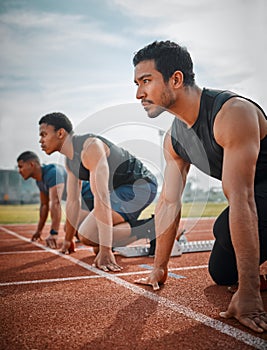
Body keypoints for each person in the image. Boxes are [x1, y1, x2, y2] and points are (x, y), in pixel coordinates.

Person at [132, 40, 267, 333]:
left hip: (256, 197)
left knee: (242, 228)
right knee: (221, 270)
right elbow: (169, 203)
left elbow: (242, 199)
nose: (139, 93)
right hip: (257, 197)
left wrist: (249, 292)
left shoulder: (232, 113)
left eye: (146, 81)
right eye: (137, 83)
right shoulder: (175, 139)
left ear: (176, 79)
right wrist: (159, 267)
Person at [38, 113, 158, 271]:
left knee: (89, 235)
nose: (40, 140)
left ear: (60, 133)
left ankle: (151, 227)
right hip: (119, 191)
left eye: (44, 135)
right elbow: (74, 202)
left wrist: (106, 249)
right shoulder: (70, 162)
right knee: (91, 240)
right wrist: (67, 240)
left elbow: (101, 198)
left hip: (139, 186)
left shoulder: (90, 147)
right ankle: (139, 228)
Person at [17, 151, 93, 250]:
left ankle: (109, 232)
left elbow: (56, 202)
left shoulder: (52, 173)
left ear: (31, 164)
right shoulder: (39, 181)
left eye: (21, 166)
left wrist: (54, 233)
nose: (19, 170)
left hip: (88, 195)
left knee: (72, 228)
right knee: (71, 230)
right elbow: (44, 205)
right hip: (81, 200)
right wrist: (39, 230)